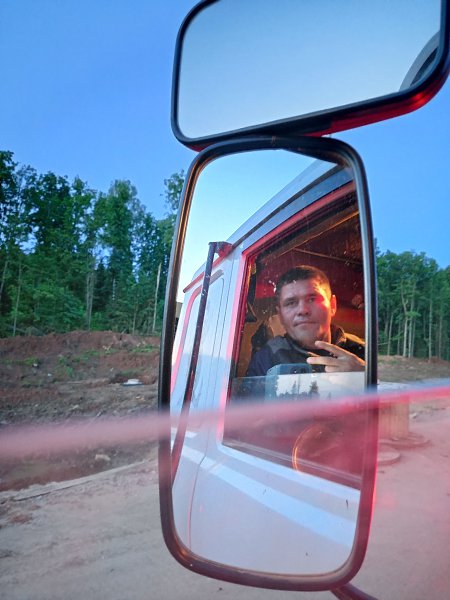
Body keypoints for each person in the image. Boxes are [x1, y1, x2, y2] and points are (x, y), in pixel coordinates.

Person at [246, 265, 365, 377]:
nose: (303, 310)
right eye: (291, 303)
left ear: (332, 305)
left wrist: (365, 375)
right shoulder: (266, 359)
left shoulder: (365, 350)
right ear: (280, 315)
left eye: (312, 299)